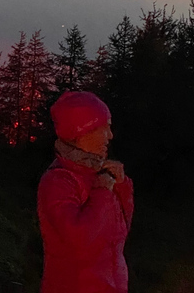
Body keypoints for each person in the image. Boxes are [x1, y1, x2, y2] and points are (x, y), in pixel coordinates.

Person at [37, 91, 134, 293]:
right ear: (81, 132)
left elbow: (119, 235)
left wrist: (122, 186)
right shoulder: (59, 181)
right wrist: (103, 191)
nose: (110, 135)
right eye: (103, 128)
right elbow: (81, 243)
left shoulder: (99, 175)